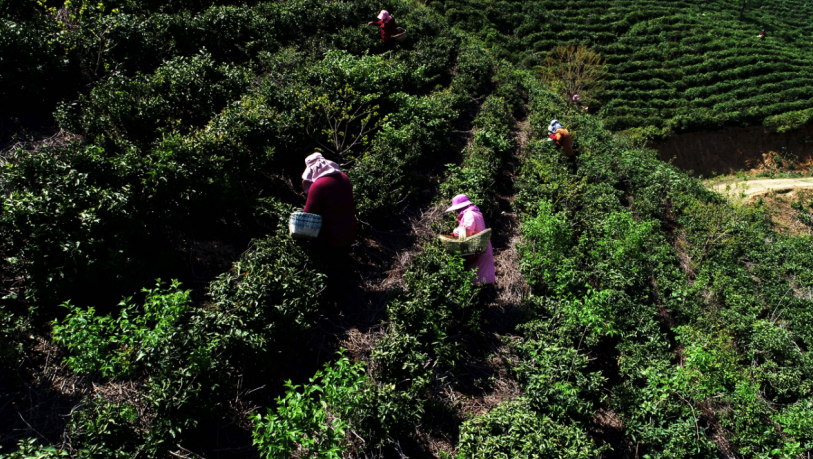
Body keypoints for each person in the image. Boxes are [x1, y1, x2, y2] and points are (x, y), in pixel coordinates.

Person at [301, 152, 358, 307]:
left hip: (330, 236)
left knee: (331, 269)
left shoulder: (318, 185)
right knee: (343, 263)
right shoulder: (344, 177)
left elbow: (308, 215)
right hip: (350, 229)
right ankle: (350, 297)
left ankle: (335, 303)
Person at [446, 194, 495, 285]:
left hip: (479, 248)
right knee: (482, 276)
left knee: (477, 279)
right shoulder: (476, 213)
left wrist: (455, 232)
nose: (455, 211)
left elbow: (468, 230)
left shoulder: (469, 214)